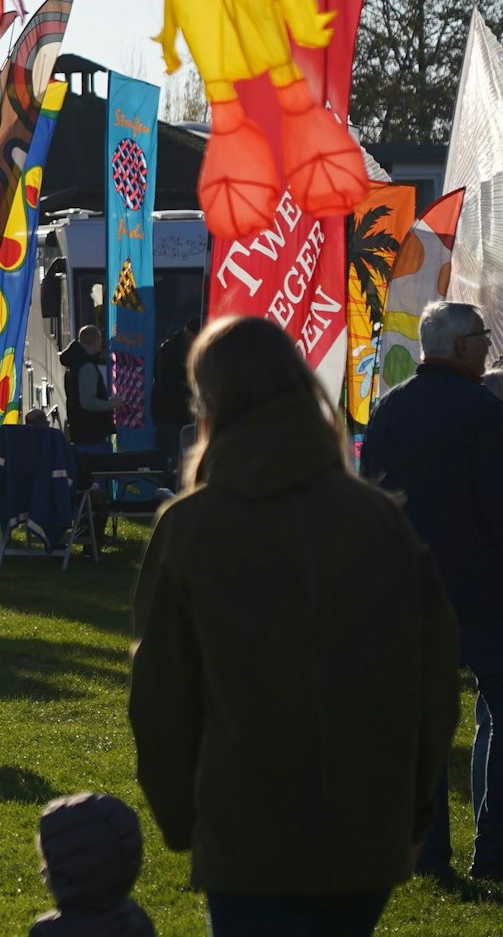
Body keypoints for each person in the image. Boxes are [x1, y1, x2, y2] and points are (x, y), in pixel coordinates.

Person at [130, 316, 458, 936]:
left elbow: (159, 698)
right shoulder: (379, 522)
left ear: (210, 400)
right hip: (364, 837)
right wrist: (411, 815)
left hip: (247, 836)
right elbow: (433, 685)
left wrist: (184, 820)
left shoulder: (194, 528)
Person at [361, 300, 503, 879]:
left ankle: (428, 855)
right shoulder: (483, 411)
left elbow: (372, 502)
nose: (489, 344)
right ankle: (493, 850)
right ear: (462, 347)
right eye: (483, 335)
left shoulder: (388, 409)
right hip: (483, 596)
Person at [30, 792, 153, 936]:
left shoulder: (49, 931)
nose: (42, 871)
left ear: (72, 870)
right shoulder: (135, 918)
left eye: (47, 862)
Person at [59, 325, 115, 452]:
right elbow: (88, 402)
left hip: (80, 431)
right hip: (92, 433)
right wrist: (111, 404)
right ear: (95, 342)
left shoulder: (74, 364)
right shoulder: (87, 366)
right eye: (100, 340)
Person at [150, 320, 198, 455]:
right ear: (189, 335)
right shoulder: (169, 352)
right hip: (169, 415)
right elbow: (168, 388)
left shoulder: (181, 349)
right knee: (175, 453)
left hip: (181, 414)